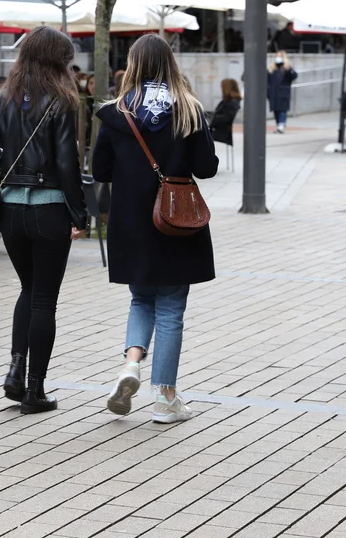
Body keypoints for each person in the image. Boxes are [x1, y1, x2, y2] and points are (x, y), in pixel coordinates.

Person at [93, 34, 219, 424]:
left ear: (132, 64)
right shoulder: (189, 109)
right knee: (171, 307)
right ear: (170, 64)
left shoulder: (115, 112)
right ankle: (165, 399)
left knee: (141, 298)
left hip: (131, 220)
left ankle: (131, 364)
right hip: (175, 219)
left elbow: (100, 170)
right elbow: (207, 167)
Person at [0, 26, 88, 415]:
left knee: (27, 290)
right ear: (58, 60)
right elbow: (68, 164)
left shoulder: (2, 97)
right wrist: (80, 212)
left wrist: (11, 167)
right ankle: (35, 390)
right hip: (49, 209)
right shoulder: (63, 99)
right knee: (44, 300)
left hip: (10, 211)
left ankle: (14, 371)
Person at [267, 52, 296, 133]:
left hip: (283, 92)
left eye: (280, 56)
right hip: (273, 93)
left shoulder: (287, 69)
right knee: (276, 110)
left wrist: (289, 69)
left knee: (282, 109)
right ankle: (278, 125)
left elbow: (293, 76)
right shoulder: (272, 69)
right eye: (277, 56)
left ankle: (281, 125)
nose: (278, 58)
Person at [208, 78, 241, 145]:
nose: (221, 89)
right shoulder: (228, 101)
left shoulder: (232, 102)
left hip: (222, 134)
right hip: (219, 132)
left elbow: (227, 117)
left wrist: (213, 118)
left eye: (222, 87)